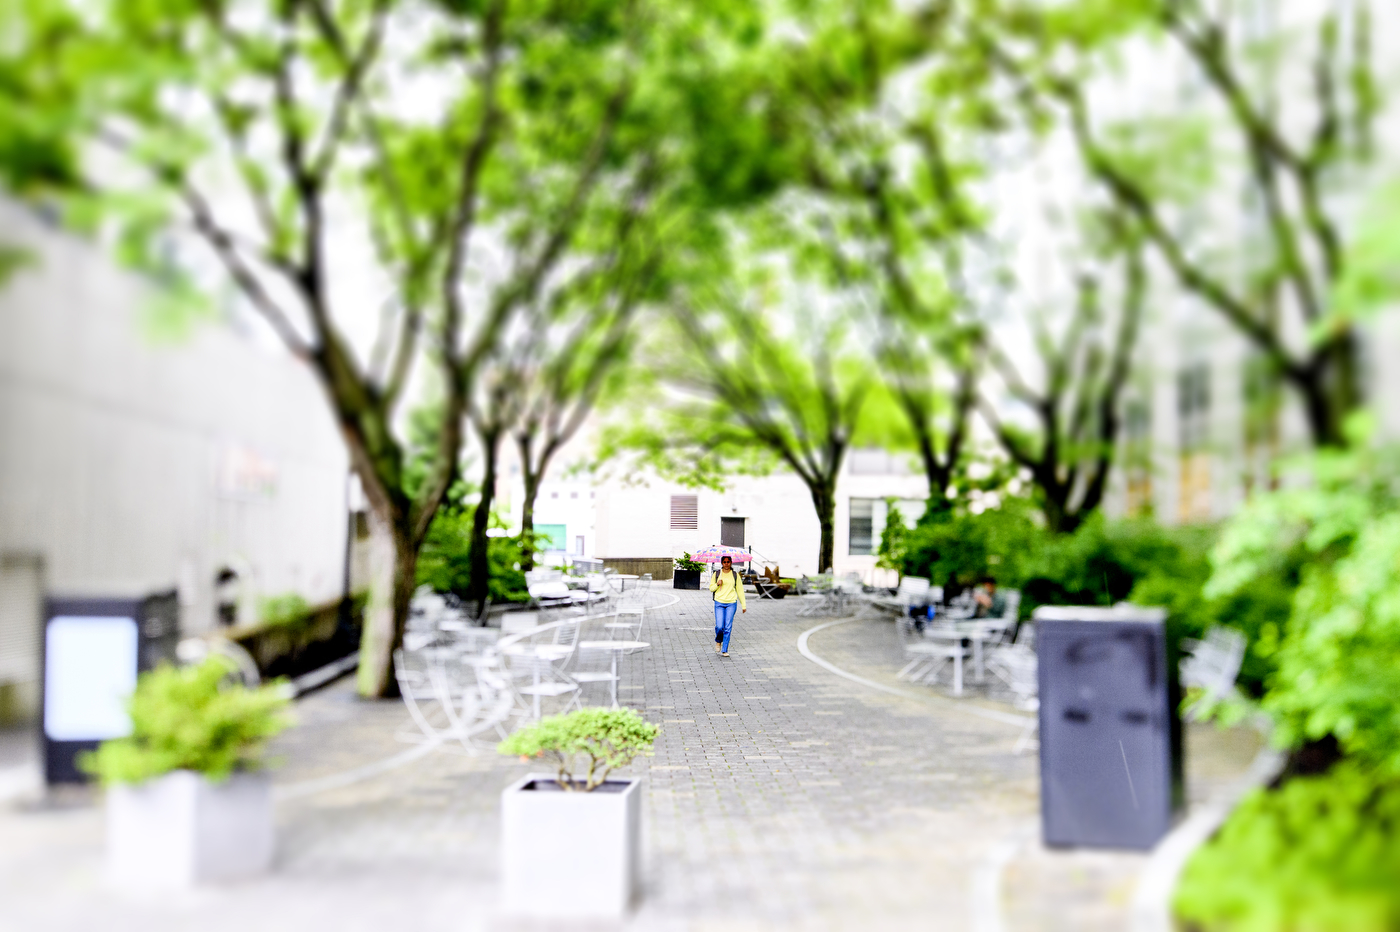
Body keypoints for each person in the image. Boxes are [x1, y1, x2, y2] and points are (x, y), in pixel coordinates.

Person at [710, 554, 746, 656]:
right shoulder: (717, 574)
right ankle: (718, 640)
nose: (726, 564)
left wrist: (743, 605)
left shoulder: (735, 575)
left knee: (728, 627)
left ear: (731, 563)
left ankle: (725, 649)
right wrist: (717, 584)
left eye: (728, 562)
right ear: (722, 563)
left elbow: (740, 590)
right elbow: (711, 588)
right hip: (719, 602)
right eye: (724, 562)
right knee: (720, 626)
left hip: (731, 603)